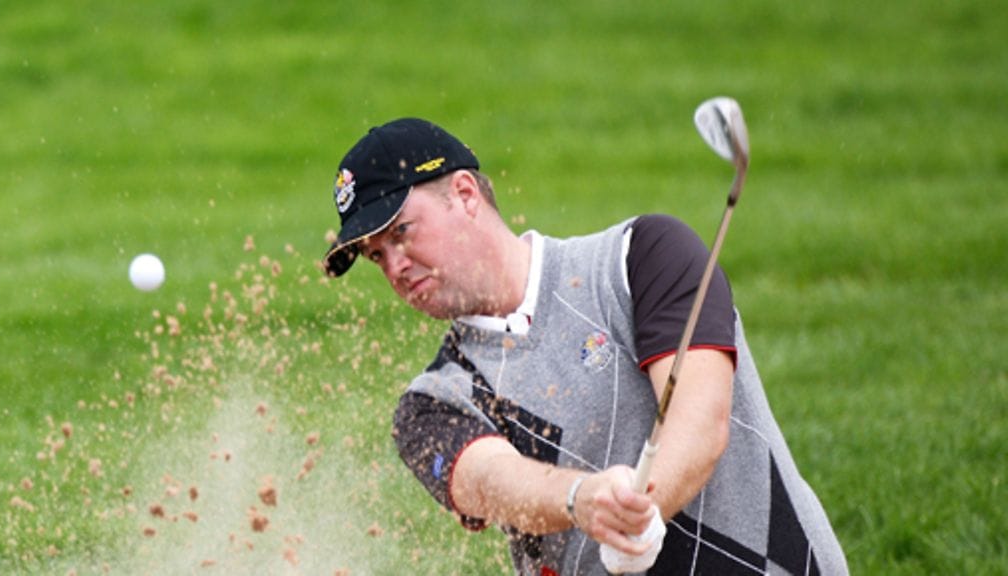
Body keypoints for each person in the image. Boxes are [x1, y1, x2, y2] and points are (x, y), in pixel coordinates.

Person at [323, 117, 848, 575]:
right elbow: (489, 480)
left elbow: (702, 419)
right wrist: (581, 499)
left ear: (464, 194)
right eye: (376, 256)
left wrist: (641, 508)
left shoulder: (641, 257)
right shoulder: (431, 401)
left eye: (400, 233)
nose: (394, 266)